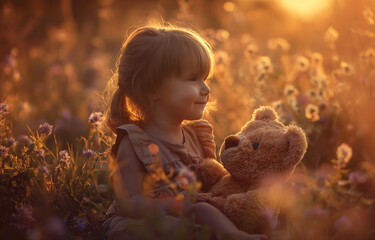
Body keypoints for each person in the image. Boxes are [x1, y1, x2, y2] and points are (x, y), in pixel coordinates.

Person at [100, 22, 268, 240]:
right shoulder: (134, 142)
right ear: (152, 89)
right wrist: (173, 204)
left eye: (205, 79)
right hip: (147, 221)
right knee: (163, 228)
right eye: (193, 79)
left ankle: (234, 236)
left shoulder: (196, 136)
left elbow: (212, 183)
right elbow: (128, 203)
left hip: (190, 213)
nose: (206, 89)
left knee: (205, 210)